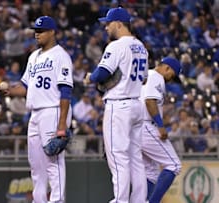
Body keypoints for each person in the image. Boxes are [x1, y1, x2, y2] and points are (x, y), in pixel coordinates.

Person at [0, 16, 73, 203]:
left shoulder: (60, 55)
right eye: (36, 30)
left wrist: (62, 124)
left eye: (41, 31)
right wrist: (9, 90)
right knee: (36, 166)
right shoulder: (33, 56)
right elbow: (24, 87)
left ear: (52, 32)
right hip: (35, 113)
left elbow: (66, 91)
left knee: (53, 163)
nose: (37, 34)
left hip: (53, 110)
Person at [84, 7, 149, 202]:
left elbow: (102, 73)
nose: (106, 27)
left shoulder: (116, 46)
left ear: (119, 24)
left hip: (119, 106)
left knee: (118, 156)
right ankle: (139, 200)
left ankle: (121, 200)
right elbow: (144, 79)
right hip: (137, 106)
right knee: (136, 159)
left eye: (108, 23)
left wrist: (90, 78)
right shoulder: (141, 47)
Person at [140, 57, 182, 203]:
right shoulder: (156, 76)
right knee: (174, 165)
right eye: (172, 74)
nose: (171, 79)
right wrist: (160, 125)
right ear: (166, 68)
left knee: (151, 173)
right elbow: (149, 101)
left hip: (137, 127)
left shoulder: (148, 75)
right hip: (146, 126)